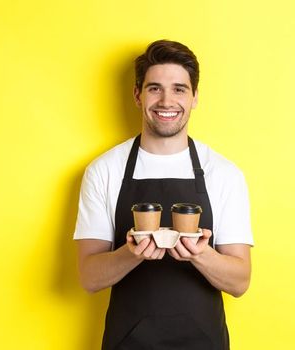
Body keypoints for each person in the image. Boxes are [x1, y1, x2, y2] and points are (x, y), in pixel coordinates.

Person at [73, 40, 254, 349]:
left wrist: (200, 254)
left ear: (195, 97)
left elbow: (240, 281)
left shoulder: (224, 174)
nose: (167, 101)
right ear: (137, 95)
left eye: (179, 89)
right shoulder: (104, 170)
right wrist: (131, 253)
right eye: (155, 88)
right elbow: (89, 277)